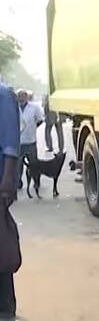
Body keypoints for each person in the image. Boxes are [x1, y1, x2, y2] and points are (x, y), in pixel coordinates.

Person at [0, 83, 20, 318]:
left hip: (0, 183)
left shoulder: (4, 95)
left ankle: (6, 308)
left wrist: (7, 183)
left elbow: (11, 146)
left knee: (2, 244)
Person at [17, 89, 43, 189]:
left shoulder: (34, 107)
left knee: (34, 164)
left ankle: (36, 181)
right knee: (18, 165)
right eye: (19, 96)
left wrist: (32, 128)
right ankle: (18, 182)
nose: (21, 98)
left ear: (27, 97)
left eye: (23, 96)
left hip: (31, 141)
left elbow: (40, 120)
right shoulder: (14, 108)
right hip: (18, 142)